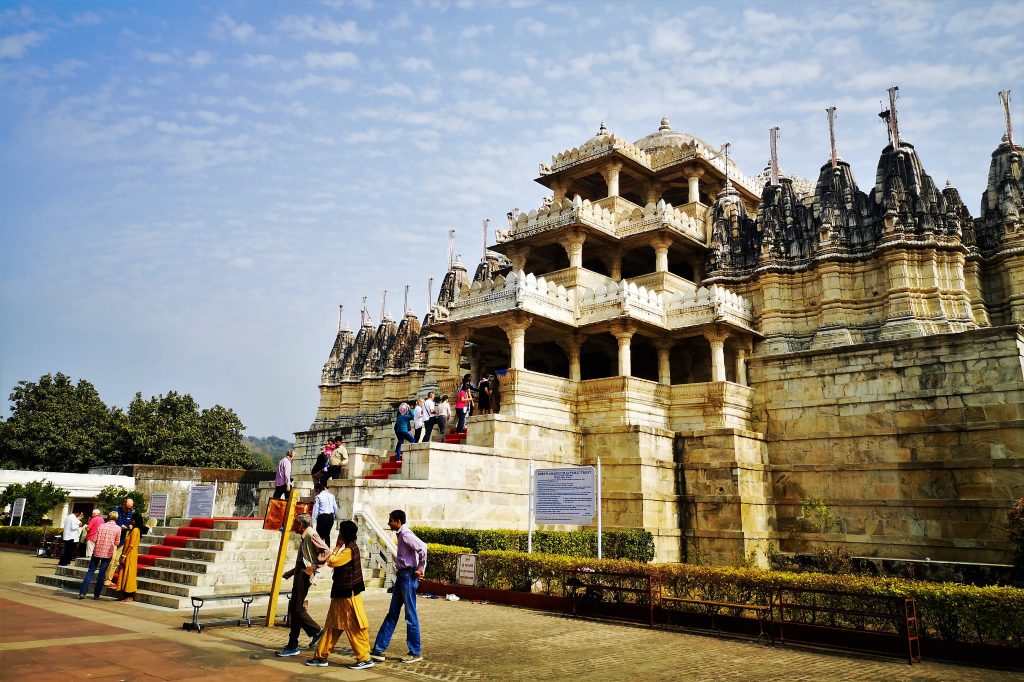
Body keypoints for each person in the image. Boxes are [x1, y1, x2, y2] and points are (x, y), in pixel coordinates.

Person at [306, 520, 373, 670]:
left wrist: (336, 546)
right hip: (341, 594)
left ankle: (365, 657)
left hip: (349, 596)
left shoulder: (349, 550)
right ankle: (320, 656)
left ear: (343, 535)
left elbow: (332, 561)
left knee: (354, 627)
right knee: (332, 626)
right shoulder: (349, 548)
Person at [369, 510, 427, 664]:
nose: (389, 523)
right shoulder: (401, 535)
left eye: (391, 520)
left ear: (398, 522)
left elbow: (423, 548)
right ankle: (379, 649)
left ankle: (415, 651)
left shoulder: (406, 535)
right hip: (402, 576)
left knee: (410, 615)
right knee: (392, 613)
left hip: (408, 576)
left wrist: (421, 568)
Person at [276, 513, 330, 658]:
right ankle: (302, 638)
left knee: (296, 608)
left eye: (295, 524)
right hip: (300, 572)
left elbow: (326, 551)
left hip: (304, 575)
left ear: (301, 525)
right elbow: (304, 557)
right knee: (295, 607)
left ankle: (300, 640)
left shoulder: (311, 534)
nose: (294, 526)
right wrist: (292, 572)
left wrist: (313, 567)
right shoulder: (306, 535)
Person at [79, 511, 122, 600]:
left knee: (90, 571)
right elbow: (117, 542)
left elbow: (95, 538)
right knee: (101, 574)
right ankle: (96, 594)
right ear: (116, 518)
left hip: (97, 550)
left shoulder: (102, 526)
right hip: (107, 552)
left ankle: (83, 592)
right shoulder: (118, 528)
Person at [109, 516, 146, 602]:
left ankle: (129, 595)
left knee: (129, 574)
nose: (131, 521)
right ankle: (124, 594)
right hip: (127, 553)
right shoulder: (132, 530)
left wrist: (124, 555)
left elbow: (131, 545)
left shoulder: (136, 530)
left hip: (130, 555)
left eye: (133, 520)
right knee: (124, 573)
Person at [105, 498, 135, 583]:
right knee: (111, 560)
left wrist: (130, 526)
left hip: (122, 539)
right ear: (123, 504)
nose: (128, 510)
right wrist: (119, 526)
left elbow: (130, 522)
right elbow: (111, 522)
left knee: (116, 561)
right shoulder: (116, 511)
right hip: (113, 539)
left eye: (130, 508)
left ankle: (109, 579)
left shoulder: (129, 512)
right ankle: (105, 578)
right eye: (127, 507)